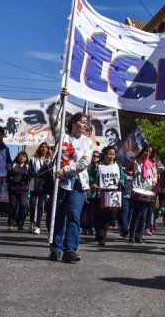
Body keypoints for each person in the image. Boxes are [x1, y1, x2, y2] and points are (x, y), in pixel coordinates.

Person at [50, 111, 94, 263]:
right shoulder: (62, 137)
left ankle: (70, 250)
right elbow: (54, 117)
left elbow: (84, 163)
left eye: (86, 122)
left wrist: (65, 170)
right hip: (60, 182)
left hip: (77, 183)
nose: (85, 124)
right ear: (73, 122)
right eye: (82, 122)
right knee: (59, 216)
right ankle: (56, 249)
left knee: (74, 216)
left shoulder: (87, 142)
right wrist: (62, 98)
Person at [127, 145, 157, 244]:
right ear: (142, 151)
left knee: (143, 215)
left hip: (147, 191)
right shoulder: (136, 162)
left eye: (150, 152)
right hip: (137, 190)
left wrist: (154, 182)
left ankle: (139, 236)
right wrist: (132, 173)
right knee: (136, 213)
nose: (148, 153)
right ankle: (131, 235)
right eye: (146, 151)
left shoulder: (151, 164)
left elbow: (155, 175)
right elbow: (127, 170)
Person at [94, 146, 121, 246]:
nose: (111, 156)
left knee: (112, 215)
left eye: (113, 155)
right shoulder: (98, 166)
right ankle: (102, 238)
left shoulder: (117, 165)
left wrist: (122, 180)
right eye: (109, 154)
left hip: (114, 193)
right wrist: (93, 183)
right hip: (102, 192)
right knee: (102, 216)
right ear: (104, 154)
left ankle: (108, 224)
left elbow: (121, 175)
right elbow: (91, 175)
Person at [29, 142, 53, 235]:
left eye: (45, 147)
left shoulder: (50, 160)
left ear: (47, 149)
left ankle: (38, 226)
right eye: (42, 147)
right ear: (39, 148)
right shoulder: (33, 159)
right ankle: (31, 221)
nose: (43, 149)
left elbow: (50, 173)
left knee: (40, 206)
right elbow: (30, 171)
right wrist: (36, 175)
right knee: (33, 204)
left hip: (44, 185)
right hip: (34, 183)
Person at [7, 151, 33, 231]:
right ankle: (11, 223)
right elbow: (8, 176)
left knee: (23, 206)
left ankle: (20, 223)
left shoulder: (28, 167)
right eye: (20, 156)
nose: (22, 157)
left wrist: (29, 176)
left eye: (24, 156)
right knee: (13, 206)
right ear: (17, 157)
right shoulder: (14, 165)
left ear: (26, 158)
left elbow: (32, 175)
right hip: (13, 189)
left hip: (24, 190)